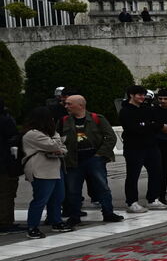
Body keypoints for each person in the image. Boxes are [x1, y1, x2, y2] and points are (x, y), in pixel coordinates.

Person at [58, 94, 126, 225]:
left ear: (80, 105)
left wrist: (100, 155)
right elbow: (57, 138)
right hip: (73, 161)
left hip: (94, 160)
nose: (66, 106)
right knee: (73, 190)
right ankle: (74, 215)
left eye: (69, 104)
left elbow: (110, 137)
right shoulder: (63, 121)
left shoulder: (97, 119)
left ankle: (108, 212)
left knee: (102, 187)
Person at [21, 107, 74, 239]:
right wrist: (57, 143)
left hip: (55, 169)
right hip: (40, 170)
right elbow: (56, 146)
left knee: (58, 197)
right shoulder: (32, 134)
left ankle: (56, 221)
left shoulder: (49, 133)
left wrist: (58, 146)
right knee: (40, 199)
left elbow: (62, 148)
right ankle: (32, 227)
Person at [119, 85, 167, 213]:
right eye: (139, 95)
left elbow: (158, 124)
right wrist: (148, 125)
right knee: (133, 175)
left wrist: (147, 125)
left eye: (143, 95)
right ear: (131, 95)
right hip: (134, 147)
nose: (142, 97)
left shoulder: (147, 109)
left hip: (151, 145)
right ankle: (131, 202)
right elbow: (132, 128)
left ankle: (152, 199)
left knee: (156, 172)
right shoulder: (125, 111)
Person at [0, 99, 21, 233]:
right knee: (6, 193)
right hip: (4, 163)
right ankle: (5, 222)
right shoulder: (5, 120)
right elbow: (13, 136)